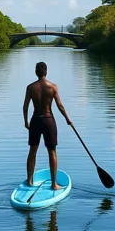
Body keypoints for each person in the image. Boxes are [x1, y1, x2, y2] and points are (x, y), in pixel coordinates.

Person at [23, 61, 72, 190]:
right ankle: (54, 184)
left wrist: (26, 121)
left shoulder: (30, 87)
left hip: (35, 120)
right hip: (48, 120)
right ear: (46, 72)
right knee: (52, 151)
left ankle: (29, 181)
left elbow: (25, 106)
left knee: (32, 150)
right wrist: (67, 119)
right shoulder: (53, 87)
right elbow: (59, 105)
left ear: (36, 72)